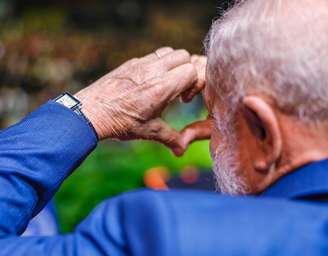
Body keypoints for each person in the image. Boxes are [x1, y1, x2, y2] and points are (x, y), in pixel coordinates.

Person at [1, 0, 328, 255]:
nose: (212, 137)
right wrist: (231, 107)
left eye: (214, 120)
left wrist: (87, 111)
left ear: (263, 132)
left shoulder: (163, 236)